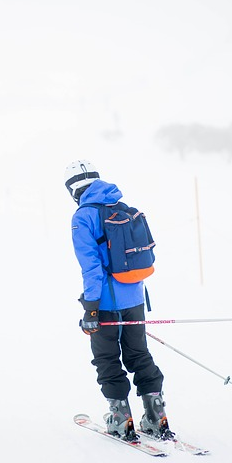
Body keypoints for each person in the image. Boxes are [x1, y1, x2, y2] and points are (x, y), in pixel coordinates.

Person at [65, 159, 173, 441]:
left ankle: (120, 419)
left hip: (105, 303)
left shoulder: (82, 217)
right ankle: (156, 416)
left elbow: (91, 268)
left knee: (107, 358)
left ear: (73, 189)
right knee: (138, 354)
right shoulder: (122, 208)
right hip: (135, 297)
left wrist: (91, 309)